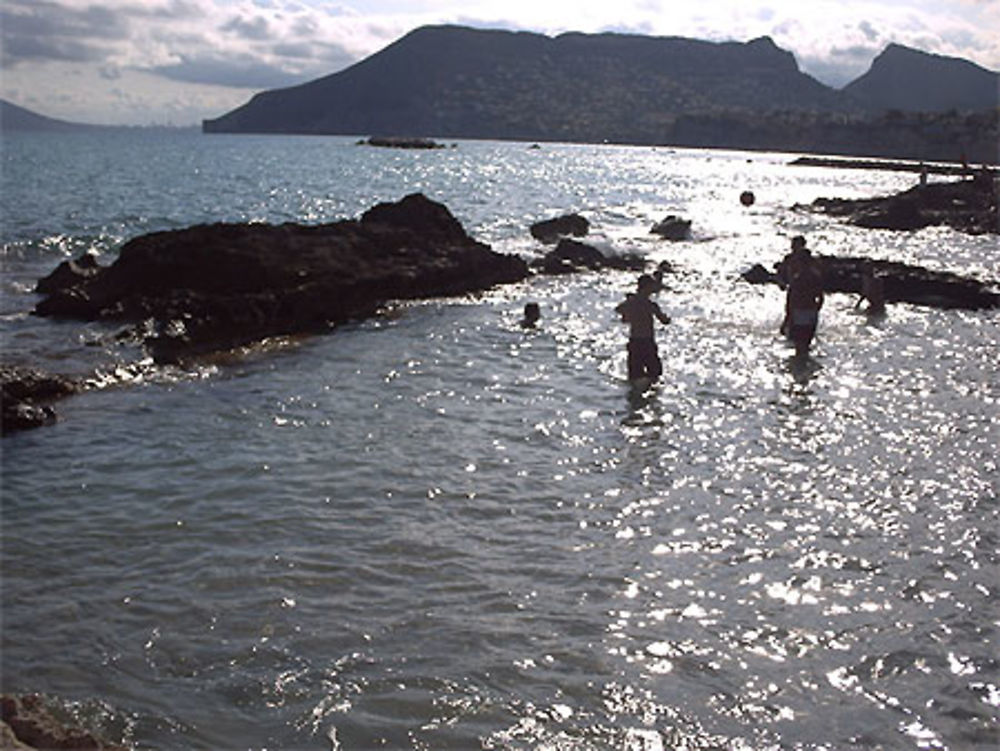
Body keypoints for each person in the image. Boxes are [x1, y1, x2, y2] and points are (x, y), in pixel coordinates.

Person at [616, 274, 671, 381]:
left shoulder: (631, 302)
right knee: (655, 374)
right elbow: (665, 321)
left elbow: (619, 310)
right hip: (647, 342)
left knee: (635, 377)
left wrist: (628, 314)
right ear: (647, 287)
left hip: (635, 341)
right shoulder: (651, 305)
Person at [786, 252, 825, 359]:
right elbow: (821, 297)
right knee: (806, 343)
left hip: (799, 312)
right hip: (811, 312)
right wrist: (816, 310)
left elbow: (791, 300)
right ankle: (805, 368)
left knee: (799, 345)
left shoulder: (797, 278)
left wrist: (788, 318)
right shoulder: (816, 277)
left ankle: (800, 368)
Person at [777, 235, 811, 336]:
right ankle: (787, 329)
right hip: (793, 288)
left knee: (802, 311)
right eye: (792, 245)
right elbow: (781, 272)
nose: (793, 247)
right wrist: (781, 283)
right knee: (790, 311)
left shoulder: (807, 258)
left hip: (807, 289)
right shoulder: (788, 258)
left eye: (795, 245)